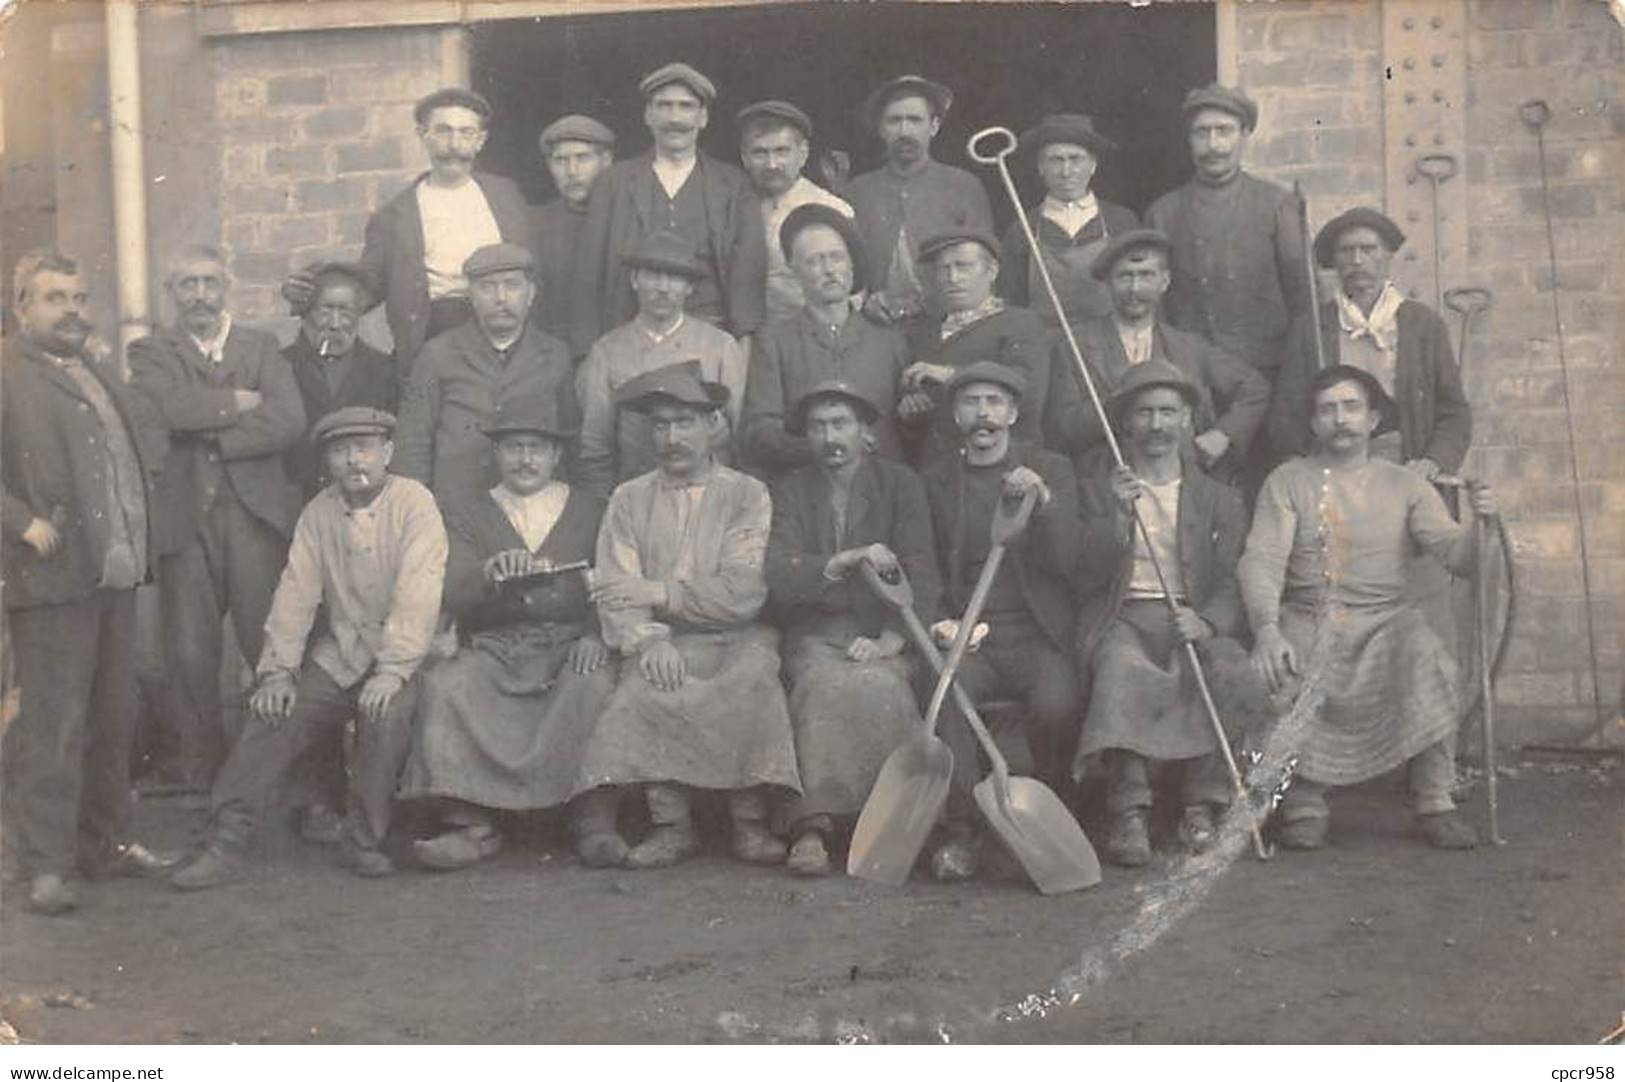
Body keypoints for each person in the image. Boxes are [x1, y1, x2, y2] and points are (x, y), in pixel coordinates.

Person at [171, 408, 448, 889]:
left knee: (383, 717)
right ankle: (226, 839)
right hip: (341, 652)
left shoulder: (415, 503)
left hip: (409, 655)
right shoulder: (319, 512)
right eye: (340, 451)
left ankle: (363, 839)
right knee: (274, 710)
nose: (353, 461)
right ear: (327, 461)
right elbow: (296, 593)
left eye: (364, 448)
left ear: (388, 452)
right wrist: (278, 670)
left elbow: (418, 595)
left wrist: (393, 669)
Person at [1238, 366, 1496, 851]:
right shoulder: (1288, 481)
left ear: (1375, 418)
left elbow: (1456, 555)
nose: (1340, 419)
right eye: (1327, 410)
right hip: (1310, 615)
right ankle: (1305, 802)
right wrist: (1267, 629)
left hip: (1385, 620)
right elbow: (1263, 558)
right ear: (1313, 423)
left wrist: (1482, 524)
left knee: (1426, 652)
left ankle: (1435, 797)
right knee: (1285, 663)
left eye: (1352, 407)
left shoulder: (1405, 484)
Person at [572, 361, 800, 869]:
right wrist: (650, 641)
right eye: (660, 424)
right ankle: (671, 824)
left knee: (752, 679)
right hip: (664, 636)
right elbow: (615, 587)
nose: (671, 437)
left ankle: (749, 822)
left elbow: (742, 592)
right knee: (647, 685)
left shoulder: (747, 494)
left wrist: (656, 590)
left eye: (685, 423)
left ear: (712, 426)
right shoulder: (629, 499)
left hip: (738, 634)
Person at [1, 250, 176, 914]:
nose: (71, 310)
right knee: (53, 722)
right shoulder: (8, 371)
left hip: (111, 571)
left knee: (113, 713)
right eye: (54, 298)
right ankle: (45, 862)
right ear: (21, 306)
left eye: (78, 297)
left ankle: (103, 844)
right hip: (50, 576)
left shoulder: (93, 369)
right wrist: (20, 522)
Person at [399, 394, 614, 871]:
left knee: (593, 684)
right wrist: (489, 574)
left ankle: (592, 820)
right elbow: (451, 585)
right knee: (447, 685)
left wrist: (597, 635)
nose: (525, 459)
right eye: (513, 447)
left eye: (537, 448)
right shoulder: (466, 510)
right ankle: (470, 823)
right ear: (496, 455)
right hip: (497, 646)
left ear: (557, 455)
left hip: (568, 644)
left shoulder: (592, 508)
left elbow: (616, 580)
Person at [129, 245, 305, 790]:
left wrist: (207, 435)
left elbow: (288, 420)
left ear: (226, 287)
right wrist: (236, 401)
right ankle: (201, 773)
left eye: (209, 282)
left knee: (267, 642)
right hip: (188, 519)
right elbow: (164, 409)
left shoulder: (261, 345)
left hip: (254, 516)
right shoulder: (151, 352)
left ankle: (280, 771)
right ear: (171, 295)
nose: (200, 295)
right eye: (187, 284)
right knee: (189, 651)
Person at [1072, 360, 1251, 867]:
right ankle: (1129, 808)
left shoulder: (1220, 498)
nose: (1156, 425)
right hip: (1123, 616)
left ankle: (1202, 801)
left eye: (1168, 412)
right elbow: (1081, 574)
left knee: (1224, 668)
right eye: (1144, 413)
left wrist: (1209, 622)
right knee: (1122, 669)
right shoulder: (1100, 490)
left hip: (1190, 616)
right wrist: (1116, 518)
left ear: (1188, 420)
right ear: (1125, 422)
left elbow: (1230, 579)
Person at [764, 381, 940, 876]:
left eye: (841, 424)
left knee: (885, 686)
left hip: (886, 626)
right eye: (818, 427)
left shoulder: (900, 484)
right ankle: (812, 827)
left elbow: (923, 571)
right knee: (820, 685)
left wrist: (892, 640)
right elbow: (779, 573)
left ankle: (893, 825)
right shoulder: (792, 491)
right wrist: (841, 560)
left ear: (865, 432)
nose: (830, 437)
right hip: (817, 630)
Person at [919, 362, 1082, 881]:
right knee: (951, 697)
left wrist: (1047, 505)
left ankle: (1033, 819)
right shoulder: (936, 481)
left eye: (994, 402)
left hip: (1036, 635)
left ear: (1013, 413)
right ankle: (962, 830)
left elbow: (1069, 563)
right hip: (967, 636)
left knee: (1057, 706)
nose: (983, 414)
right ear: (955, 415)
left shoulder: (1050, 469)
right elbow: (922, 565)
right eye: (971, 402)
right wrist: (941, 624)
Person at [281, 88, 534, 381]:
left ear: (480, 141)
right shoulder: (393, 216)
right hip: (436, 330)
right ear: (423, 135)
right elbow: (368, 288)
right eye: (443, 131)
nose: (454, 144)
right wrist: (308, 293)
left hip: (505, 327)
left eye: (466, 133)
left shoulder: (507, 196)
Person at [1145, 84, 1310, 490]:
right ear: (1189, 140)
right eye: (1202, 133)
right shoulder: (1164, 212)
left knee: (1269, 489)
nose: (1213, 144)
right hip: (1197, 384)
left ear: (1244, 135)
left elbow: (1304, 301)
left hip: (1269, 382)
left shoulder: (1276, 205)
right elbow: (1156, 314)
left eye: (1224, 131)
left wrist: (1296, 387)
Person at [1043, 228, 1268, 483]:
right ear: (1107, 284)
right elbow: (1063, 429)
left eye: (1146, 276)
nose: (1135, 288)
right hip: (1105, 483)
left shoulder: (1188, 346)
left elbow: (1254, 388)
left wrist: (1223, 434)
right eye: (1124, 277)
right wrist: (1123, 400)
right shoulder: (1073, 345)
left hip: (1183, 482)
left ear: (1165, 282)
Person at [571, 62, 767, 354]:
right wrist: (586, 354)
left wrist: (743, 349)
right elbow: (589, 276)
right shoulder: (615, 183)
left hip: (711, 337)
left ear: (703, 118)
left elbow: (747, 278)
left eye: (686, 107)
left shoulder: (733, 185)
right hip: (629, 340)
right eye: (664, 106)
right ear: (648, 116)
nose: (675, 118)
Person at [1269, 207, 1471, 476]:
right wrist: (1308, 465)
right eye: (1346, 251)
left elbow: (1453, 411)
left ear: (1387, 255)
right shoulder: (1312, 327)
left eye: (1368, 249)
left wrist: (1432, 462)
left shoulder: (1423, 324)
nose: (1357, 260)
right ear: (1334, 261)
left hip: (1407, 469)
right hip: (1334, 469)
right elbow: (1287, 413)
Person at [393, 242, 577, 500]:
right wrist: (418, 511)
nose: (501, 298)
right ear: (470, 296)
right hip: (458, 505)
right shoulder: (437, 354)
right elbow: (412, 445)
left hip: (531, 506)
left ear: (531, 293)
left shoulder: (555, 355)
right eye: (487, 287)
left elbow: (571, 441)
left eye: (512, 285)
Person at [575, 230, 747, 500]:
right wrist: (606, 506)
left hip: (710, 500)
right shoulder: (607, 351)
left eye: (675, 277)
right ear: (634, 280)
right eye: (653, 275)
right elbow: (596, 447)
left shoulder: (720, 346)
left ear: (690, 286)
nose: (664, 287)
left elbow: (742, 436)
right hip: (637, 500)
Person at [741, 204, 907, 478]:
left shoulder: (889, 340)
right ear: (793, 269)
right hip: (806, 490)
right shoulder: (775, 341)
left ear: (851, 263)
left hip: (882, 490)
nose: (829, 269)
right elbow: (759, 433)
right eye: (814, 261)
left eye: (837, 257)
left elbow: (909, 426)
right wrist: (818, 448)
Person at [898, 230, 1052, 468]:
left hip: (1007, 467)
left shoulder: (1022, 324)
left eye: (964, 266)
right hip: (939, 473)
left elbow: (1029, 393)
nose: (953, 277)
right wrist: (912, 414)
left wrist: (950, 374)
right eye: (944, 269)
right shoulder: (921, 333)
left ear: (991, 272)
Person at [848, 75, 994, 325]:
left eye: (915, 120)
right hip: (875, 325)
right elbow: (845, 266)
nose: (905, 131)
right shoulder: (857, 192)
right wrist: (865, 301)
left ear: (934, 126)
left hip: (947, 324)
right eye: (894, 121)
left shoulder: (963, 186)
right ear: (881, 129)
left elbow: (982, 267)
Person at [996, 113, 1139, 326]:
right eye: (1055, 160)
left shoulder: (1121, 222)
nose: (1066, 171)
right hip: (1044, 345)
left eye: (1076, 159)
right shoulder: (1023, 228)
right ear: (1040, 168)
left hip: (1108, 345)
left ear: (1093, 165)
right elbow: (1011, 303)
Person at [282, 262, 399, 502]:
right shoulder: (280, 366)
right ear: (306, 313)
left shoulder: (384, 369)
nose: (335, 323)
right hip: (297, 503)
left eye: (345, 312)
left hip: (367, 502)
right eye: (325, 311)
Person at [736, 99, 854, 324]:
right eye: (760, 153)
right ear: (745, 157)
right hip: (747, 339)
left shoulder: (831, 210)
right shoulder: (734, 207)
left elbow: (852, 296)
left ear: (803, 153)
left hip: (807, 342)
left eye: (782, 151)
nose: (772, 164)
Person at [532, 114, 616, 341]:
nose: (572, 171)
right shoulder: (536, 223)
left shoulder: (625, 217)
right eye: (561, 160)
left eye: (582, 158)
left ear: (606, 160)